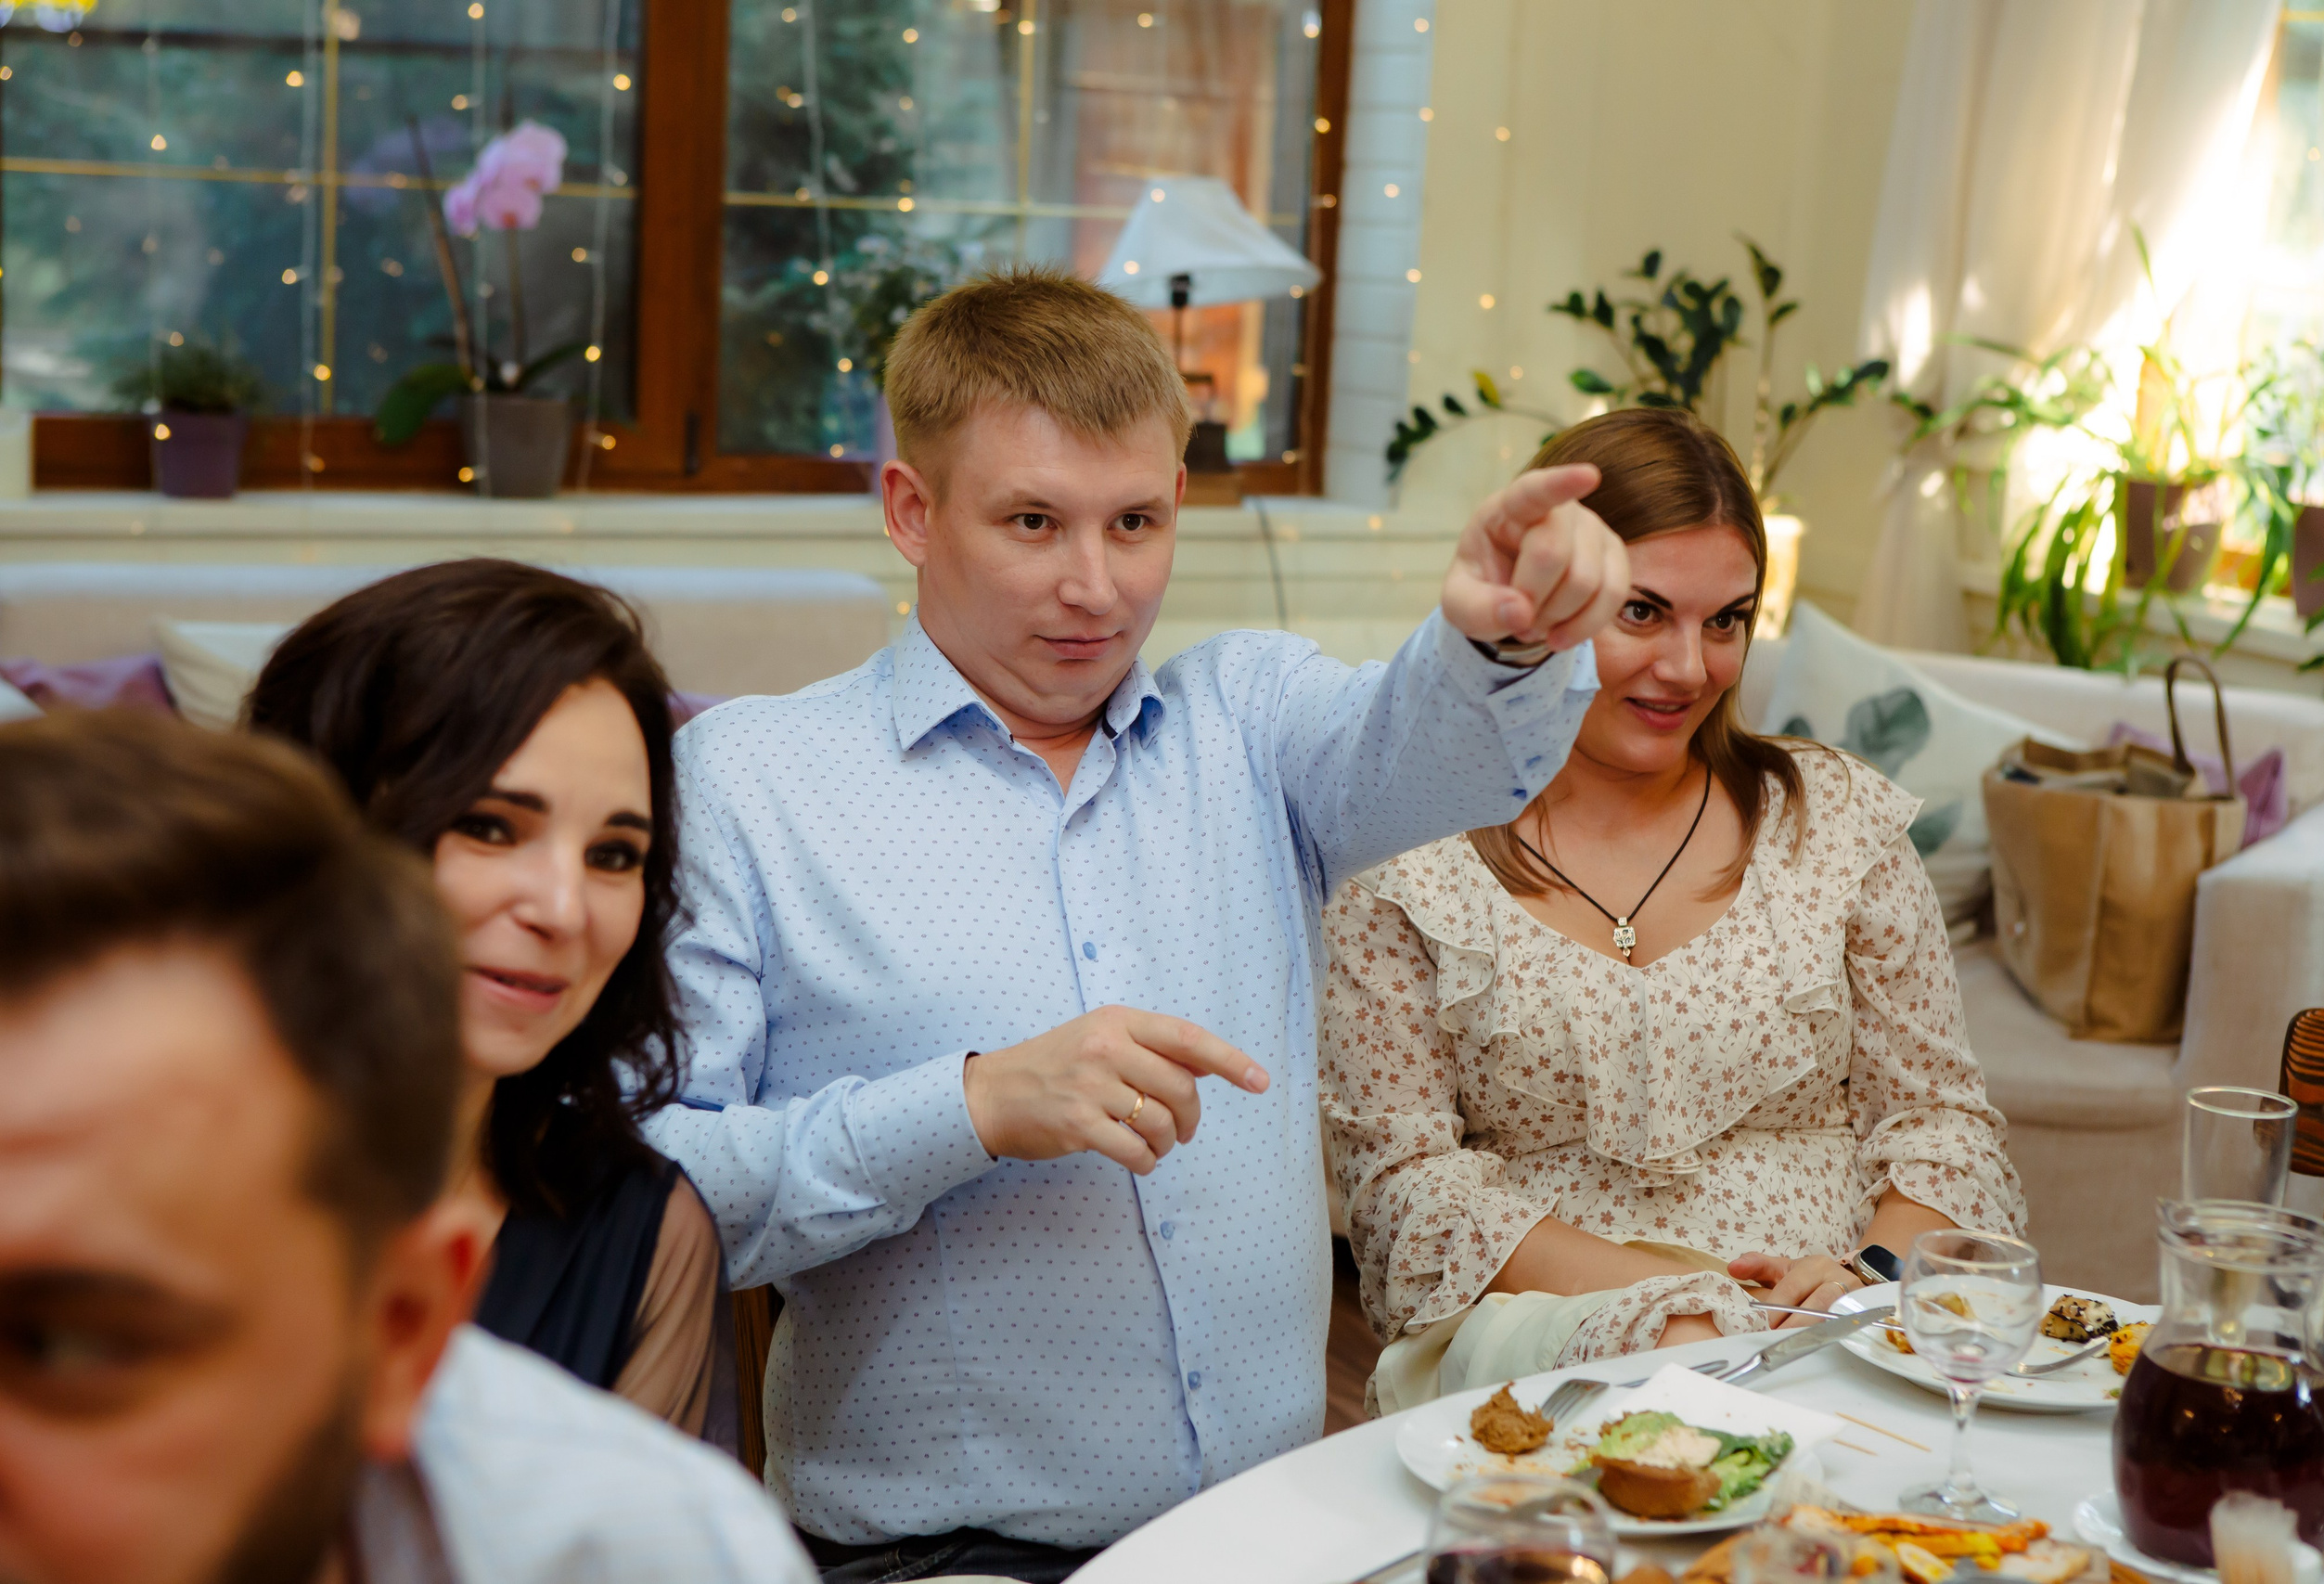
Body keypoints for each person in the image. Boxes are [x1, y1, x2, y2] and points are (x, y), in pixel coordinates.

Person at [648, 265, 1629, 1582]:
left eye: (1137, 523)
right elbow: (665, 1194)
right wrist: (973, 1105)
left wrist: (1502, 642)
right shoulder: (752, 785)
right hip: (944, 1553)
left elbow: (1436, 755)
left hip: (1286, 1523)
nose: (1097, 587)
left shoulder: (1249, 718)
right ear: (911, 509)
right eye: (1035, 522)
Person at [0, 710, 812, 1584]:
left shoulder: (636, 1544)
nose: (558, 908)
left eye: (64, 1347)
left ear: (400, 1329)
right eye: (490, 827)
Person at [1317, 407, 2025, 1409]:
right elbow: (1400, 1183)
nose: (1689, 669)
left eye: (1725, 620)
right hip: (1547, 1323)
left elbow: (1939, 1121)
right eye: (1642, 613)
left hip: (1840, 1324)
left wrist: (1865, 1279)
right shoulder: (1404, 851)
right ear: (1539, 601)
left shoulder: (1836, 821)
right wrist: (1691, 1311)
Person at [244, 559, 733, 1445]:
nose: (561, 907)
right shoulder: (128, 1167)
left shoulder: (647, 1234)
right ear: (329, 825)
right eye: (490, 826)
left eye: (614, 854)